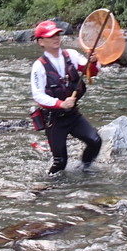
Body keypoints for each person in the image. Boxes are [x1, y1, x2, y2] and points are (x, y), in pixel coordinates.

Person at [30, 20, 102, 175]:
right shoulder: (39, 66)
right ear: (41, 41)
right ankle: (49, 189)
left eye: (57, 34)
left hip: (73, 115)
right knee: (60, 162)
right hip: (54, 121)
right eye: (51, 36)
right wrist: (60, 104)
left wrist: (94, 62)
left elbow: (91, 71)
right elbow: (38, 95)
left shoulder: (71, 55)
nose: (56, 38)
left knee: (95, 141)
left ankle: (85, 169)